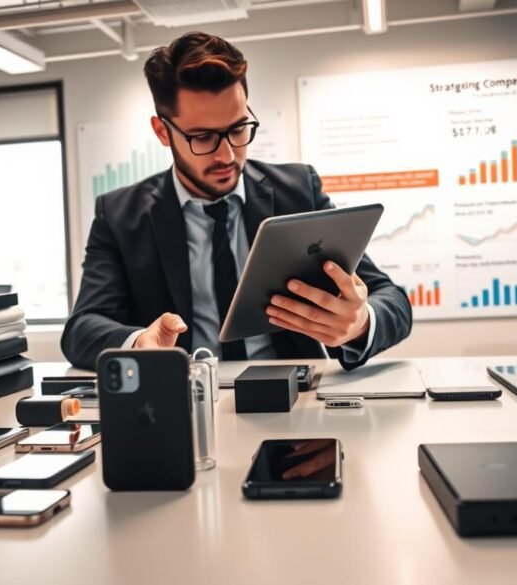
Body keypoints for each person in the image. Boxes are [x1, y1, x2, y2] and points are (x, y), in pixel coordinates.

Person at [61, 32, 411, 371]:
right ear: (162, 131)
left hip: (293, 398)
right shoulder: (119, 216)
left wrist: (360, 323)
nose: (227, 154)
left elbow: (392, 300)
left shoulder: (299, 190)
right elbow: (81, 329)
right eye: (202, 137)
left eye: (238, 128)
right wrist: (139, 343)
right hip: (183, 401)